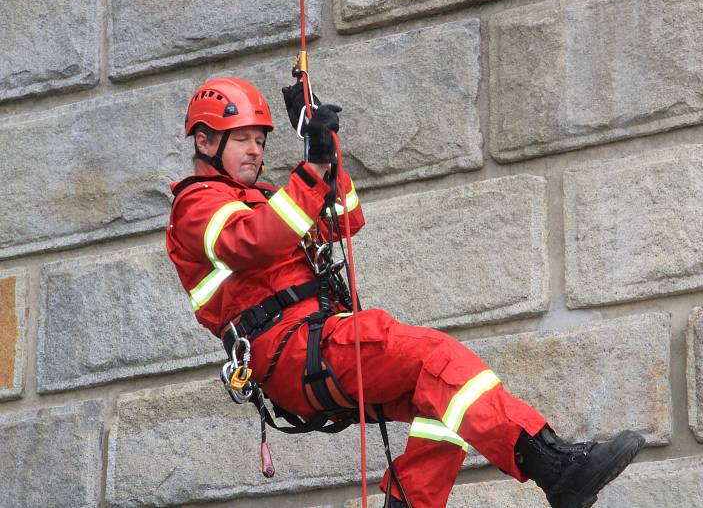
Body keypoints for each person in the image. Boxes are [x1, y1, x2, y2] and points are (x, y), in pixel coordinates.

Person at [166, 77, 644, 508]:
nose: (255, 150)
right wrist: (311, 169)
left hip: (312, 341)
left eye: (260, 140)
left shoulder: (270, 197)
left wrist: (324, 146)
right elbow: (250, 243)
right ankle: (552, 466)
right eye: (242, 139)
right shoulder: (197, 202)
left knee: (444, 398)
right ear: (205, 142)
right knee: (435, 357)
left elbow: (347, 218)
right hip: (289, 349)